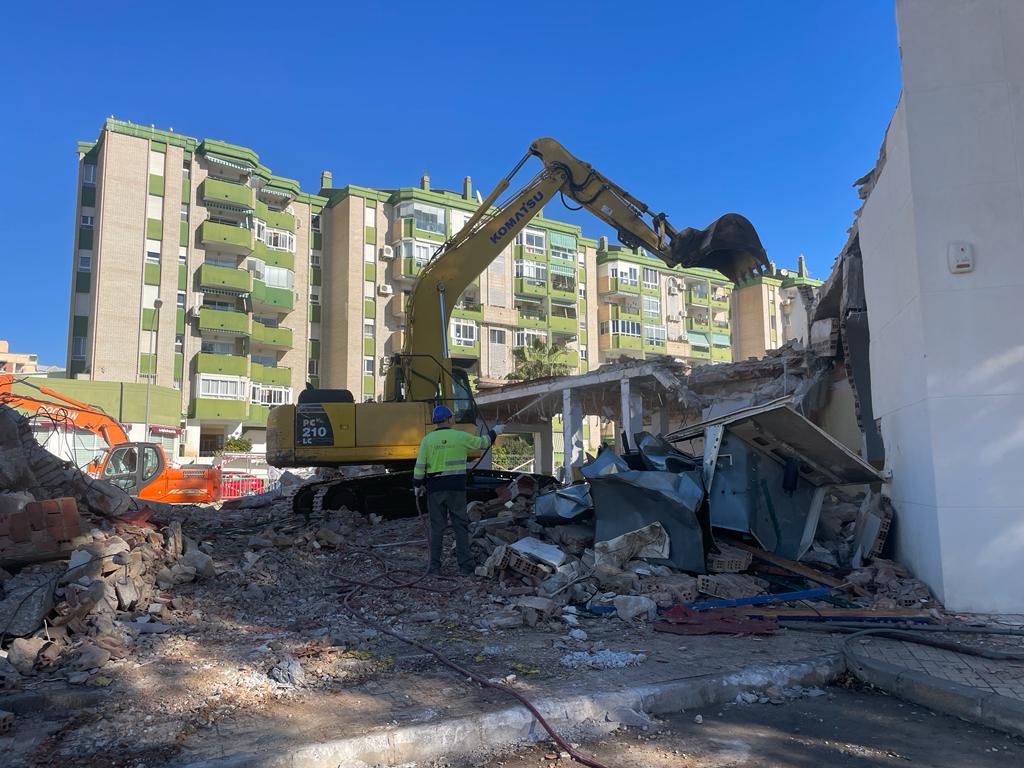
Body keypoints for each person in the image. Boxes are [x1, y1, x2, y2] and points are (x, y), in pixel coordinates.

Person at [413, 405, 504, 575]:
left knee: (436, 528)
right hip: (456, 488)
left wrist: (417, 485)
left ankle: (434, 567)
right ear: (449, 419)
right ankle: (465, 566)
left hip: (435, 489)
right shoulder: (460, 436)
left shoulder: (427, 440)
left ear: (435, 421)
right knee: (460, 526)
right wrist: (495, 431)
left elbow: (420, 466)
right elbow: (483, 443)